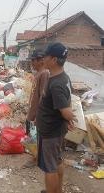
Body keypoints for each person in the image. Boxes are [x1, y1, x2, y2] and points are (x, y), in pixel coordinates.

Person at [36, 42, 75, 193]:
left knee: (49, 168)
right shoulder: (62, 78)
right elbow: (67, 101)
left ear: (53, 59)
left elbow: (65, 110)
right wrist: (67, 119)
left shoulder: (56, 84)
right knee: (57, 161)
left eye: (45, 56)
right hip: (55, 130)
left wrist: (70, 118)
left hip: (51, 132)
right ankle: (57, 191)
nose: (42, 59)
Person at [23, 49, 49, 168]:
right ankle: (37, 157)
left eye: (33, 61)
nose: (31, 64)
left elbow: (43, 98)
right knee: (35, 136)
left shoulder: (44, 74)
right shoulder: (39, 73)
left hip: (39, 114)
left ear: (40, 60)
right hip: (34, 113)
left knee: (38, 137)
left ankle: (37, 159)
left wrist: (39, 114)